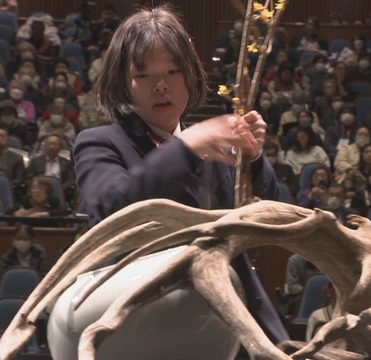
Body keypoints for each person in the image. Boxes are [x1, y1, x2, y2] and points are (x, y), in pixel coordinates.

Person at [72, 4, 286, 344]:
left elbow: (269, 216)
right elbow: (110, 210)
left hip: (228, 321)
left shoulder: (210, 144)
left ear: (189, 75)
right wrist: (184, 149)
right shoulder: (98, 143)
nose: (161, 86)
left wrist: (254, 157)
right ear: (123, 83)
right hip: (140, 324)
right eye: (144, 75)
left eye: (172, 72)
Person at [27, 133, 77, 202]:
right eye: (49, 144)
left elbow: (71, 180)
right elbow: (29, 178)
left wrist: (61, 188)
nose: (51, 147)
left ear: (60, 147)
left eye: (55, 144)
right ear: (45, 146)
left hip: (60, 191)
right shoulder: (35, 161)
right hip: (39, 191)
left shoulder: (66, 163)